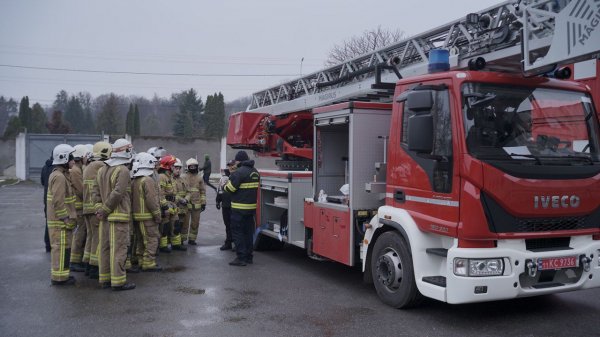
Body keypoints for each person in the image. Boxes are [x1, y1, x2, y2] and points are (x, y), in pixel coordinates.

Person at [93, 138, 136, 291]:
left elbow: (95, 192)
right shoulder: (123, 170)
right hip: (118, 217)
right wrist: (105, 209)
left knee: (105, 248)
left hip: (104, 218)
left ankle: (105, 279)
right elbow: (118, 193)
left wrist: (99, 209)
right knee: (119, 249)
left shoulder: (102, 169)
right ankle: (118, 282)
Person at [47, 144, 77, 285]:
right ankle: (59, 278)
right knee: (60, 250)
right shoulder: (58, 177)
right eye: (72, 158)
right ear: (64, 158)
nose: (74, 161)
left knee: (64, 250)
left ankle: (63, 276)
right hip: (60, 222)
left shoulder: (61, 174)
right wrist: (65, 218)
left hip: (61, 222)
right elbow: (58, 201)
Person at [82, 141, 112, 279]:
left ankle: (88, 265)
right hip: (96, 208)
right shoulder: (101, 166)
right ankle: (95, 267)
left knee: (91, 236)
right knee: (98, 239)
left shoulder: (89, 166)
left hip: (87, 208)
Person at [224, 151, 260, 266]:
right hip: (251, 209)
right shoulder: (255, 172)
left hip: (238, 209)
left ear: (238, 161)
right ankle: (249, 257)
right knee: (248, 233)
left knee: (238, 233)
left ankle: (241, 258)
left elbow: (230, 189)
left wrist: (224, 185)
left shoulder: (238, 173)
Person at [131, 152, 163, 272]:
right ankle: (149, 262)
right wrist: (157, 214)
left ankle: (141, 260)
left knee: (140, 240)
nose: (156, 166)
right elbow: (151, 200)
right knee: (152, 239)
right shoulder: (148, 180)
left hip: (137, 217)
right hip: (147, 217)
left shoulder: (135, 180)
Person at [157, 155, 185, 252]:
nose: (174, 167)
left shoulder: (171, 177)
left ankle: (176, 244)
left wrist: (179, 199)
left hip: (173, 206)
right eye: (173, 165)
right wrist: (164, 206)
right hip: (166, 207)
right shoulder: (162, 177)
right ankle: (163, 246)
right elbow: (160, 193)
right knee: (165, 227)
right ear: (168, 166)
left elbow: (173, 193)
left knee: (176, 226)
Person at [69, 144, 88, 272]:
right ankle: (74, 261)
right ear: (81, 157)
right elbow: (81, 190)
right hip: (78, 208)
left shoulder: (77, 168)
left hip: (79, 207)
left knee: (81, 233)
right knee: (79, 233)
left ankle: (77, 259)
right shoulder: (76, 170)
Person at [182, 158, 206, 245]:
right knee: (184, 223)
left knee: (195, 223)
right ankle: (182, 239)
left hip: (197, 205)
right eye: (191, 166)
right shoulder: (183, 177)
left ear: (197, 167)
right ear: (188, 167)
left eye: (194, 166)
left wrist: (203, 203)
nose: (192, 168)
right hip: (185, 204)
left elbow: (203, 191)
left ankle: (192, 239)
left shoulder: (200, 178)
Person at [216, 160, 236, 251]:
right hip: (225, 205)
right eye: (229, 166)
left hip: (234, 205)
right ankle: (228, 243)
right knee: (227, 225)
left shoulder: (236, 177)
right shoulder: (223, 178)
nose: (230, 167)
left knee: (235, 225)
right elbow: (220, 190)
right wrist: (218, 201)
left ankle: (236, 244)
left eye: (232, 165)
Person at [172, 158, 189, 248]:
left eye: (179, 168)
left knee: (182, 226)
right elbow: (172, 193)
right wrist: (180, 199)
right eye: (176, 168)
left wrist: (186, 199)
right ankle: (173, 243)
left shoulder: (183, 180)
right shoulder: (170, 180)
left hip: (183, 208)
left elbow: (189, 191)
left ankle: (179, 243)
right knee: (174, 226)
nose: (178, 170)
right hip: (175, 207)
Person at [41, 154, 53, 252]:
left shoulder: (45, 167)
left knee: (48, 221)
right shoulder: (56, 169)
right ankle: (51, 244)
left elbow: (42, 181)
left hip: (46, 197)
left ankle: (47, 245)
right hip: (53, 198)